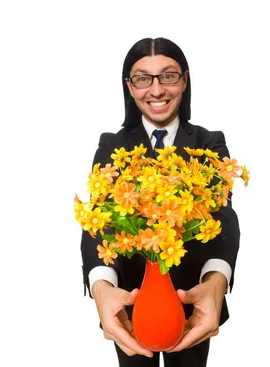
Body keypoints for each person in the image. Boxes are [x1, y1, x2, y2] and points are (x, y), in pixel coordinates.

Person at [80, 37, 240, 367]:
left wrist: (215, 282)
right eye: (142, 78)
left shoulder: (210, 143)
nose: (156, 91)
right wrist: (101, 287)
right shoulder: (112, 145)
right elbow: (97, 220)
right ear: (129, 85)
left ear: (184, 80)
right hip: (131, 306)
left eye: (167, 76)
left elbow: (223, 216)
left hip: (193, 303)